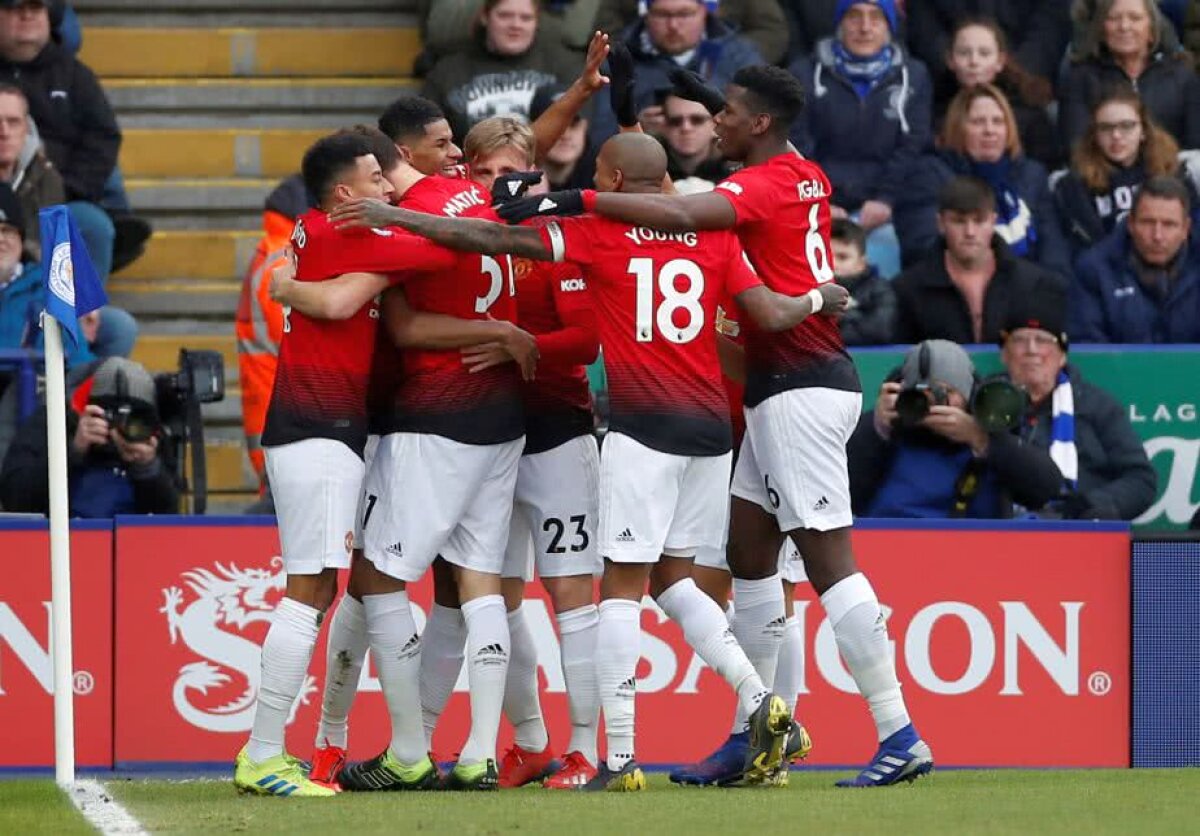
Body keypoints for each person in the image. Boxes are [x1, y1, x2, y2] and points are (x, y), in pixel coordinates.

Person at [330, 130, 852, 791]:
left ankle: (622, 758)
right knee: (678, 583)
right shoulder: (717, 236)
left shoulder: (599, 232)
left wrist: (393, 215)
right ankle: (759, 698)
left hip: (642, 430)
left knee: (621, 594)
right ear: (662, 184)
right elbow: (769, 311)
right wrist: (819, 298)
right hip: (711, 433)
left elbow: (489, 240)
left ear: (607, 178)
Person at [484, 63, 934, 787]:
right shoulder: (803, 172)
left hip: (799, 384)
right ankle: (753, 734)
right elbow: (673, 194)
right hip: (773, 390)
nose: (713, 122)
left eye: (725, 114)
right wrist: (679, 88)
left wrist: (571, 198)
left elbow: (680, 212)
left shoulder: (747, 191)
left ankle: (898, 730)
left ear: (757, 124)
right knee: (750, 559)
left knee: (826, 563)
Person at [232, 132, 461, 798]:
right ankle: (262, 755)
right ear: (346, 196)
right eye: (376, 178)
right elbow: (446, 245)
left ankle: (274, 751)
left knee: (321, 589)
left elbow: (320, 294)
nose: (390, 189)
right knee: (307, 591)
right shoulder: (353, 235)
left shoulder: (311, 229)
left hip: (320, 430)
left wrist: (298, 284)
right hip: (318, 431)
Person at [789, 0, 932, 279]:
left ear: (889, 25)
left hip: (885, 206)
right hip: (819, 201)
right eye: (854, 17)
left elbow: (912, 144)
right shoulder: (803, 74)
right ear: (840, 22)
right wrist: (819, 201)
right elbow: (797, 143)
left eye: (876, 18)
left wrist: (885, 200)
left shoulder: (914, 76)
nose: (865, 28)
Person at [847, 339, 1063, 518]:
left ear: (968, 396)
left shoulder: (986, 434)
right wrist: (877, 428)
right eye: (922, 393)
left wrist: (982, 440)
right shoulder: (883, 431)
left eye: (946, 392)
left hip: (974, 552)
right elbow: (838, 496)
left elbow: (1046, 489)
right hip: (889, 546)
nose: (934, 403)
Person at [1000, 287, 1158, 520]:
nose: (1031, 350)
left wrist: (1090, 506)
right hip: (997, 533)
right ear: (1004, 354)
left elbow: (1141, 480)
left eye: (1043, 340)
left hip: (1081, 533)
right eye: (1020, 340)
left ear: (1062, 355)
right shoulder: (986, 402)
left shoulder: (1097, 406)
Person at [895, 83, 1071, 277]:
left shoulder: (1031, 175)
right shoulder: (929, 175)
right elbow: (922, 249)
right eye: (978, 122)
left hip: (1029, 294)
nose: (990, 130)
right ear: (958, 128)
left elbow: (1054, 251)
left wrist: (1045, 291)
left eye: (998, 121)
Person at [0, 0, 119, 280]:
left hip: (59, 195)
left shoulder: (75, 75)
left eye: (35, 7)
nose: (27, 15)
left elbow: (102, 139)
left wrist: (67, 189)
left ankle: (81, 315)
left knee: (92, 224)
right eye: (15, 8)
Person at [0, 356, 181, 517]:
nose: (120, 426)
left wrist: (147, 468)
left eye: (131, 419)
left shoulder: (150, 433)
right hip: (60, 542)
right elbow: (16, 501)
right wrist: (73, 451)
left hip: (135, 544)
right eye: (110, 415)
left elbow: (168, 516)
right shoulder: (54, 421)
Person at [894, 176, 1065, 344]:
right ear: (941, 223)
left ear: (993, 221)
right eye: (959, 222)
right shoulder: (907, 290)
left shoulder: (1034, 285)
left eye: (979, 221)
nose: (970, 232)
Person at [1051, 87, 1200, 260]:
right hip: (1109, 274)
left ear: (1143, 130)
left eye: (1126, 126)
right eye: (1105, 128)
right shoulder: (1074, 185)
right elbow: (1087, 250)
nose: (1116, 136)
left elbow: (1194, 231)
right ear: (1094, 135)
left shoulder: (1173, 170)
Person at [587, 0, 764, 145]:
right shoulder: (617, 59)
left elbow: (760, 130)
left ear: (704, 11)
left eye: (684, 14)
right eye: (662, 15)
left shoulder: (740, 57)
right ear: (646, 13)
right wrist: (633, 128)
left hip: (721, 173)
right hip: (644, 174)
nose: (673, 25)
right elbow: (596, 139)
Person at [235, 174, 312, 499]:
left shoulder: (278, 254)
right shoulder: (285, 264)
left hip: (280, 425)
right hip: (289, 432)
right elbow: (306, 348)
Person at [421, 0, 580, 140]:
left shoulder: (564, 64)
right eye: (505, 16)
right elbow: (426, 135)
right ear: (485, 16)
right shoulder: (447, 70)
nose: (516, 25)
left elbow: (578, 132)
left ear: (537, 22)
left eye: (526, 18)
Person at [1070, 174, 1200, 342]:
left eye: (1169, 224)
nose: (1157, 236)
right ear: (1130, 223)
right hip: (1115, 369)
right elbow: (1087, 346)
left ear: (1186, 229)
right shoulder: (1094, 269)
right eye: (1147, 222)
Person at [1060, 0, 1200, 151]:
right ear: (1101, 29)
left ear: (1152, 30)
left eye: (1135, 18)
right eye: (1113, 18)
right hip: (1100, 171)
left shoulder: (1181, 75)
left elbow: (1194, 146)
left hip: (1171, 169)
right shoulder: (1081, 77)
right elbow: (1077, 146)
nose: (1124, 27)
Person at [936, 18, 1060, 167]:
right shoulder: (935, 106)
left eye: (984, 53)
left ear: (1000, 61)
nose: (974, 61)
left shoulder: (1028, 111)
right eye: (964, 53)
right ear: (950, 60)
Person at [905, 0, 1071, 101]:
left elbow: (1049, 26)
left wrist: (1011, 73)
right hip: (947, 88)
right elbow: (925, 27)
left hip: (1022, 88)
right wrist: (959, 65)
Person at [596, 0, 790, 65]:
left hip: (721, 70)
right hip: (643, 66)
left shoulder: (737, 57)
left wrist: (728, 57)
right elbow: (606, 34)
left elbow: (771, 30)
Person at [830, 218, 896, 345]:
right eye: (826, 256)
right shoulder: (808, 290)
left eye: (842, 257)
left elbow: (880, 331)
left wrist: (842, 315)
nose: (832, 263)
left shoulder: (879, 288)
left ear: (862, 263)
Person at [529, 82, 597, 189]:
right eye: (554, 126)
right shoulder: (510, 174)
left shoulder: (603, 177)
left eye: (574, 125)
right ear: (533, 128)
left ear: (586, 127)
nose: (565, 135)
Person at [659, 91, 734, 186]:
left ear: (715, 125)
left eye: (697, 120)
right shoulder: (650, 170)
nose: (686, 128)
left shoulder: (736, 172)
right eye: (675, 121)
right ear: (664, 127)